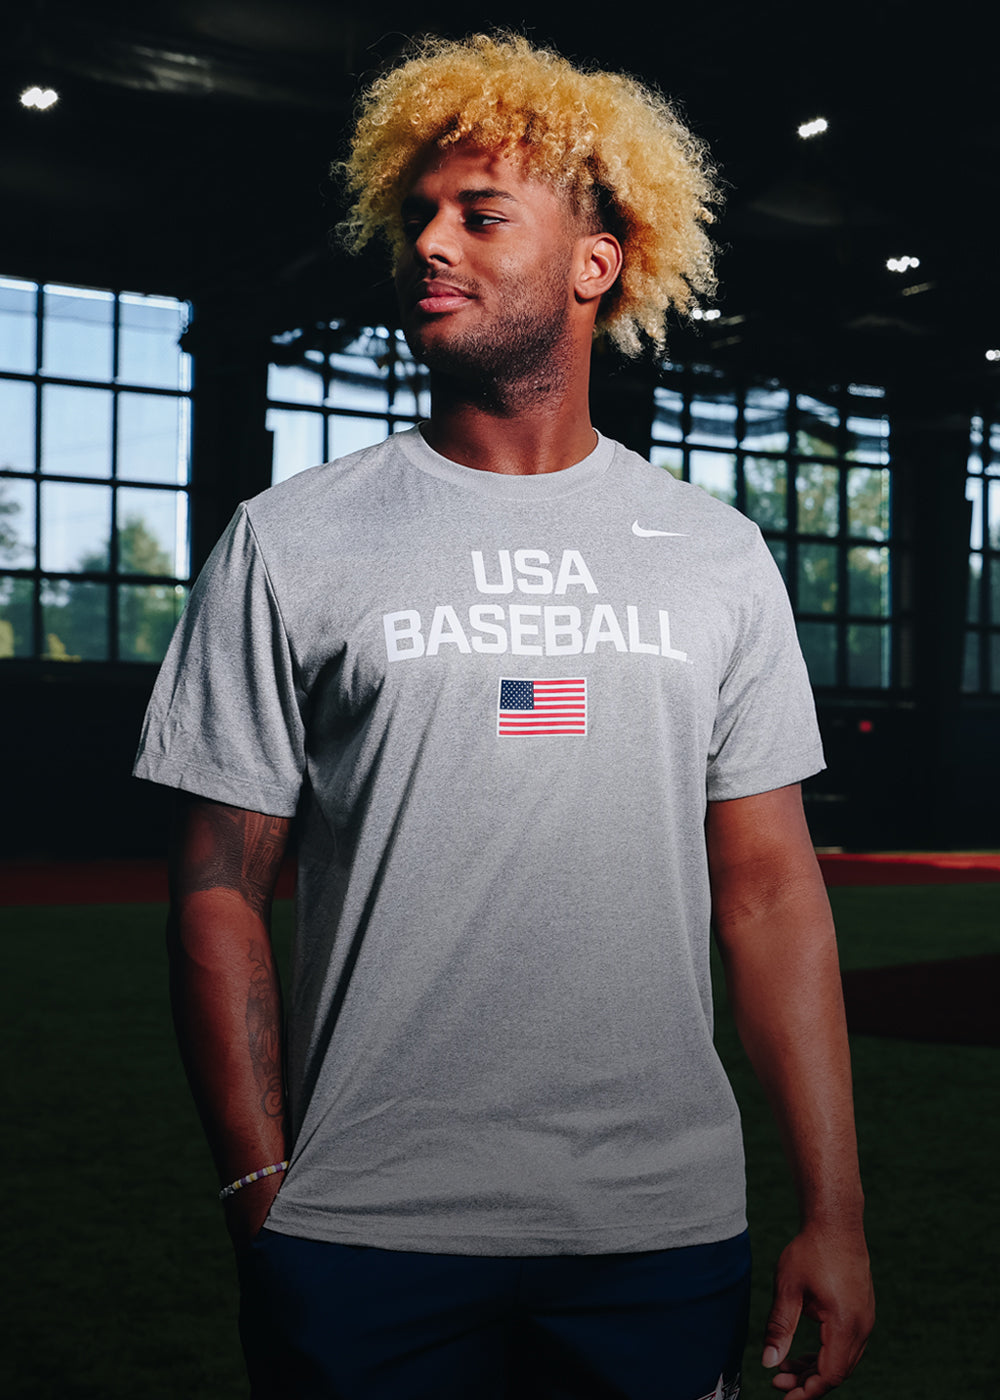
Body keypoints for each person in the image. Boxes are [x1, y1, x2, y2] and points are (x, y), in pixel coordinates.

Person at [135, 32, 873, 1400]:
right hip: (363, 1238)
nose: (432, 244)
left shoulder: (713, 552)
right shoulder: (290, 542)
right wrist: (259, 1189)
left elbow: (772, 894)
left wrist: (836, 1207)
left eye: (482, 216)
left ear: (597, 265)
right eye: (419, 215)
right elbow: (218, 885)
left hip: (657, 1234)